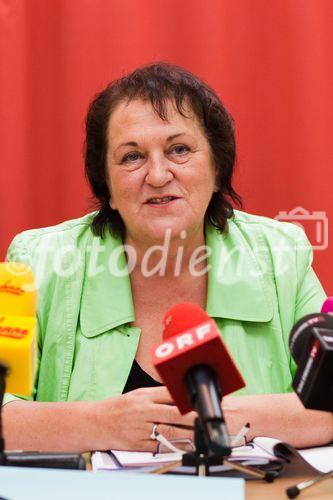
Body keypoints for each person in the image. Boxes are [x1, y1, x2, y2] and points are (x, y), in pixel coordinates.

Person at [3, 63, 332, 453]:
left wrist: (216, 420)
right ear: (105, 185)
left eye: (179, 150)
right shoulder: (39, 262)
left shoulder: (281, 257)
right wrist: (104, 424)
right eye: (131, 157)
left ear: (216, 168)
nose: (158, 175)